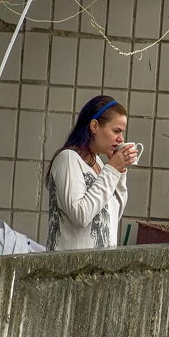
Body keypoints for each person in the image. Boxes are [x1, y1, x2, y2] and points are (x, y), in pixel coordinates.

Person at [46, 95, 137, 251]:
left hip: (98, 270)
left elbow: (112, 217)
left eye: (122, 132)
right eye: (116, 131)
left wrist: (120, 172)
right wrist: (112, 170)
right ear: (94, 126)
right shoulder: (68, 159)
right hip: (70, 270)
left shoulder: (99, 163)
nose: (121, 139)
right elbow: (80, 215)